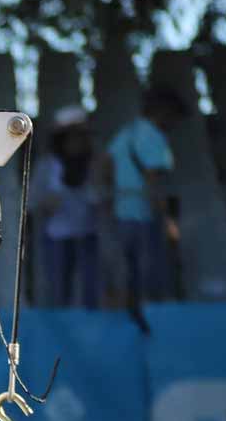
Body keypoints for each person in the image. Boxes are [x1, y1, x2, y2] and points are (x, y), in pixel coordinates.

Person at [104, 83, 187, 312]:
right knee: (150, 273)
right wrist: (169, 219)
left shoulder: (127, 132)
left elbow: (107, 164)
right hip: (144, 214)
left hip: (122, 212)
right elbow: (153, 180)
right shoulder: (155, 137)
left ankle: (123, 314)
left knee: (126, 271)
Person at [31, 106, 103, 309]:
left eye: (83, 137)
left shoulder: (94, 164)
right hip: (57, 237)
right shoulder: (47, 166)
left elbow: (104, 196)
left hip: (88, 235)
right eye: (74, 137)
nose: (79, 143)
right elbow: (32, 201)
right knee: (59, 291)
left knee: (91, 290)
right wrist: (48, 202)